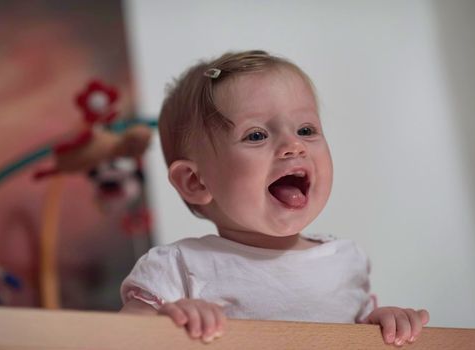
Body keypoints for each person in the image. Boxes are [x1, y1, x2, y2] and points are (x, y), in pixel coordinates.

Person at [120, 50, 429, 346]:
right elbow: (116, 337)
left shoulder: (345, 262)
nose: (294, 145)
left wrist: (385, 324)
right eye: (256, 135)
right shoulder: (178, 267)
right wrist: (163, 325)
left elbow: (359, 336)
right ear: (195, 181)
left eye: (306, 129)